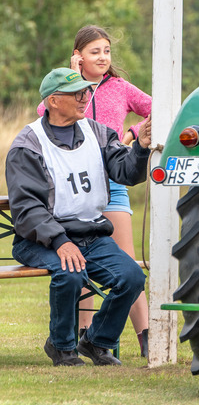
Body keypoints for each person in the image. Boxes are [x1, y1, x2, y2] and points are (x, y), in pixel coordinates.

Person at [8, 68, 152, 367]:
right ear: (53, 101)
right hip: (40, 239)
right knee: (71, 274)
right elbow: (26, 208)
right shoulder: (28, 144)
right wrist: (60, 241)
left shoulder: (98, 132)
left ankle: (97, 341)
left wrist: (140, 148)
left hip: (90, 234)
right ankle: (62, 347)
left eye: (86, 91)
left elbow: (126, 172)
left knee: (132, 277)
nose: (85, 97)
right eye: (76, 93)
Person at [37, 25, 152, 357]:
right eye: (94, 52)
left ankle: (145, 335)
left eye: (106, 51)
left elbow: (158, 109)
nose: (102, 57)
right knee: (80, 261)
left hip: (112, 180)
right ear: (78, 56)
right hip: (70, 183)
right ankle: (87, 335)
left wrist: (132, 133)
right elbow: (45, 118)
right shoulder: (62, 89)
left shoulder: (120, 88)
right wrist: (73, 78)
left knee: (125, 260)